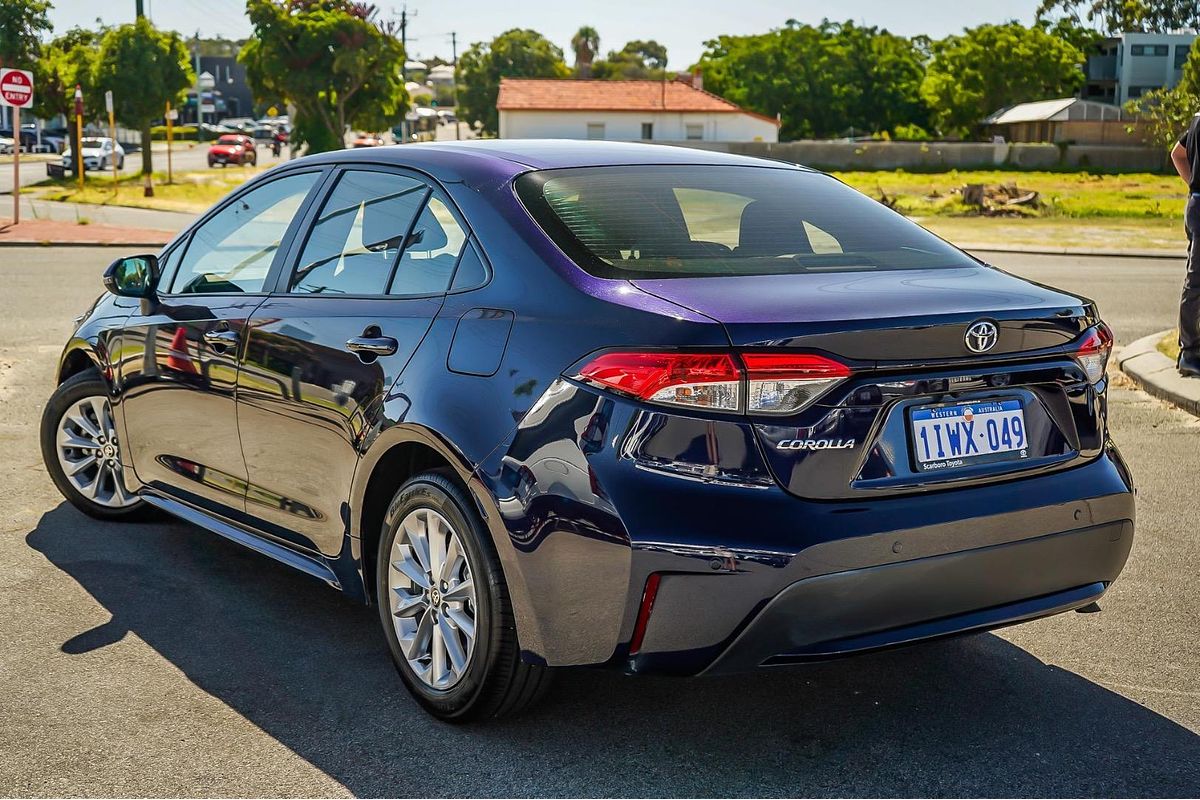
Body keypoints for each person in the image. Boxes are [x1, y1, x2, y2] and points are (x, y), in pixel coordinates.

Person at [1171, 112, 1200, 377]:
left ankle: (1190, 352)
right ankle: (1189, 354)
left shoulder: (1196, 119)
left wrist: (1193, 184)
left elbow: (1177, 154)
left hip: (1196, 203)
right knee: (1196, 282)